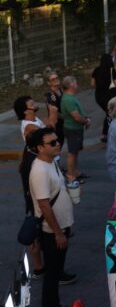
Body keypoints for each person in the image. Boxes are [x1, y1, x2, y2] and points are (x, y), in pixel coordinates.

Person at [28, 127, 78, 307]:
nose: (58, 144)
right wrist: (57, 233)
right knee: (52, 273)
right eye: (52, 143)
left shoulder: (51, 162)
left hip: (61, 226)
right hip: (52, 231)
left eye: (58, 141)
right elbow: (44, 205)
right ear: (40, 148)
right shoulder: (39, 170)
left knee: (55, 271)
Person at [14, 95, 58, 280]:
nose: (34, 103)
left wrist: (52, 113)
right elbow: (49, 130)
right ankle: (39, 266)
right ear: (25, 110)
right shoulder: (28, 125)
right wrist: (53, 114)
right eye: (30, 102)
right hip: (33, 172)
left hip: (41, 165)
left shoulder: (36, 120)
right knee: (35, 214)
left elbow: (48, 126)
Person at [60, 76, 90, 183]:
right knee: (72, 153)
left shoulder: (70, 97)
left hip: (75, 128)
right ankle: (71, 175)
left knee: (75, 151)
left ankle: (74, 171)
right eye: (76, 83)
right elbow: (76, 116)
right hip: (73, 129)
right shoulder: (68, 99)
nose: (77, 85)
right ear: (71, 85)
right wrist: (86, 121)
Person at [91, 53, 116, 141]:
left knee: (109, 113)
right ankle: (107, 134)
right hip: (110, 95)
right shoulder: (112, 70)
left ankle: (106, 134)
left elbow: (92, 84)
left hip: (99, 96)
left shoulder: (96, 70)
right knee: (111, 113)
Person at [44, 71, 64, 147]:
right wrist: (67, 117)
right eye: (53, 79)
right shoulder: (49, 95)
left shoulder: (61, 91)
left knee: (61, 143)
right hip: (56, 124)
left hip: (63, 123)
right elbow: (53, 112)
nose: (56, 80)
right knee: (57, 145)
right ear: (49, 83)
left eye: (56, 78)